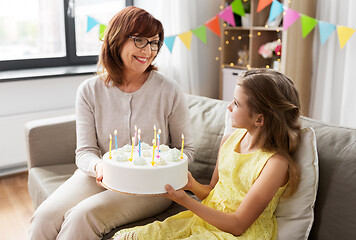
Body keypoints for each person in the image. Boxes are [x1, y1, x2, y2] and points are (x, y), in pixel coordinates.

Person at [28, 6, 194, 240]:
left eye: (154, 42)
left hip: (150, 187)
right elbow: (85, 152)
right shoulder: (89, 90)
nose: (148, 50)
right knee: (44, 216)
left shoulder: (169, 91)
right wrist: (99, 167)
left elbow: (188, 149)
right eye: (139, 40)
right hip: (99, 177)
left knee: (81, 216)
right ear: (116, 39)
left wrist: (165, 169)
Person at [114, 69, 302, 239]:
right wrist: (191, 184)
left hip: (237, 234)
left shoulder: (274, 164)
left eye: (236, 103)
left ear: (259, 119)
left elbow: (238, 225)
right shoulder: (230, 141)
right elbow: (213, 191)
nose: (228, 107)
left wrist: (185, 200)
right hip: (205, 219)